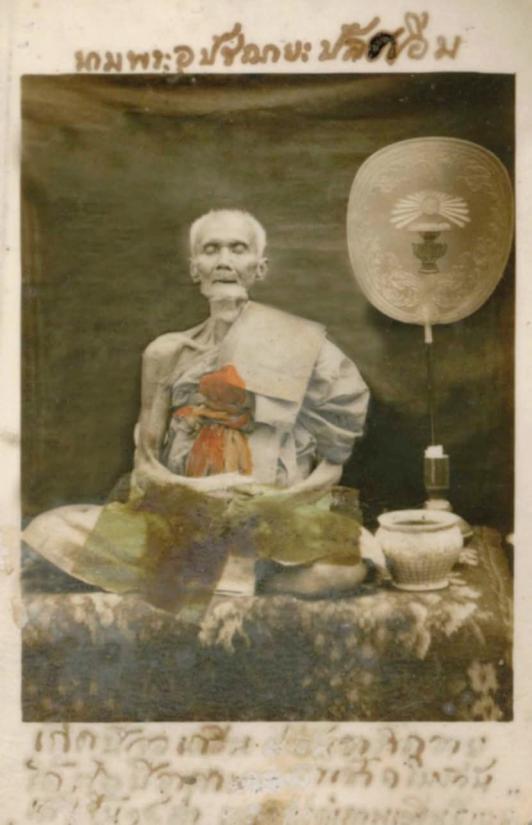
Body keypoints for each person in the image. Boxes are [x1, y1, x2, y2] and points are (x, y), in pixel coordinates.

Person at [23, 209, 371, 613]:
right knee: (47, 530)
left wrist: (276, 500)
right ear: (195, 269)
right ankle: (242, 577)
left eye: (238, 249)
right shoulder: (167, 353)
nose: (224, 260)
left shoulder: (306, 347)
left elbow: (332, 465)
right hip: (183, 518)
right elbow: (146, 465)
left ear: (259, 267)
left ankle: (209, 576)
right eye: (211, 249)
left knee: (348, 566)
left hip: (277, 520)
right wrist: (201, 491)